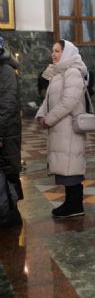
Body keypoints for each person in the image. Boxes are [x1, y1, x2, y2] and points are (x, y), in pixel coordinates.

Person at [35, 40, 88, 218]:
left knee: (70, 165)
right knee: (65, 164)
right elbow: (47, 99)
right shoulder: (59, 73)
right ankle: (70, 202)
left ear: (67, 53)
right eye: (53, 50)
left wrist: (49, 119)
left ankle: (75, 205)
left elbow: (69, 101)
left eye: (57, 51)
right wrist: (41, 115)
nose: (53, 54)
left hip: (69, 129)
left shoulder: (72, 72)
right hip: (60, 127)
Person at [0, 37, 23, 227]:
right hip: (4, 131)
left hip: (6, 133)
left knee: (7, 171)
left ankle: (10, 215)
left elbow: (7, 106)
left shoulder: (6, 72)